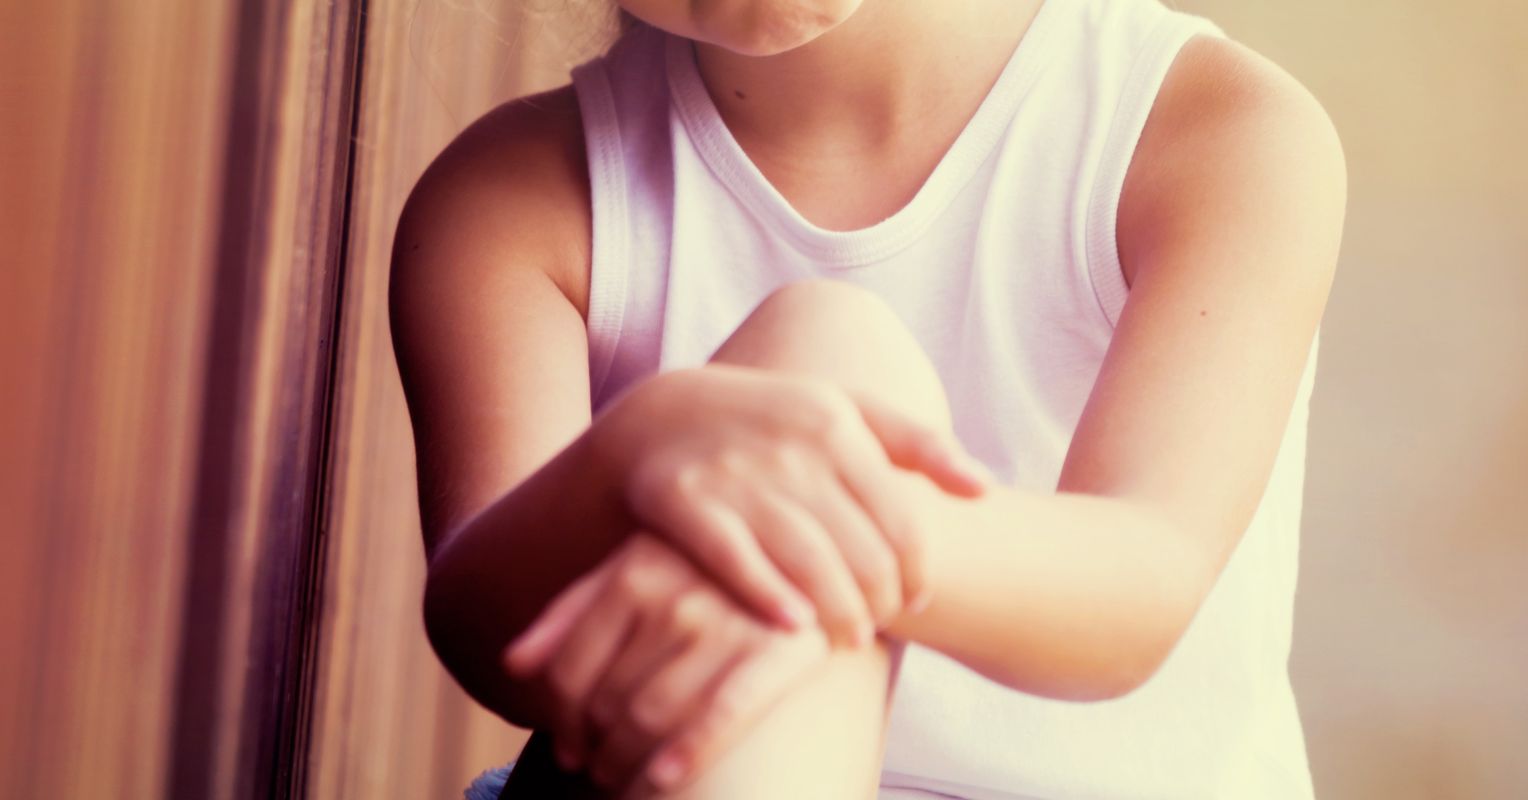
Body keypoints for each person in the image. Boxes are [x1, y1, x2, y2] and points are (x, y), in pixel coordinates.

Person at [388, 0, 1345, 796]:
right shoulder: (511, 202)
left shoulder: (1215, 132)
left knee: (827, 365)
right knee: (824, 350)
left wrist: (810, 514)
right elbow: (485, 632)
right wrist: (631, 458)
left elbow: (1138, 588)